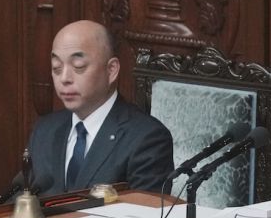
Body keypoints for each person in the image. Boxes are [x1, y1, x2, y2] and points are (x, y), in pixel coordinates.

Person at [25, 20, 173, 196]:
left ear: (111, 70)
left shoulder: (147, 138)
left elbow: (145, 216)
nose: (64, 78)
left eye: (78, 67)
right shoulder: (45, 130)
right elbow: (24, 196)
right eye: (56, 68)